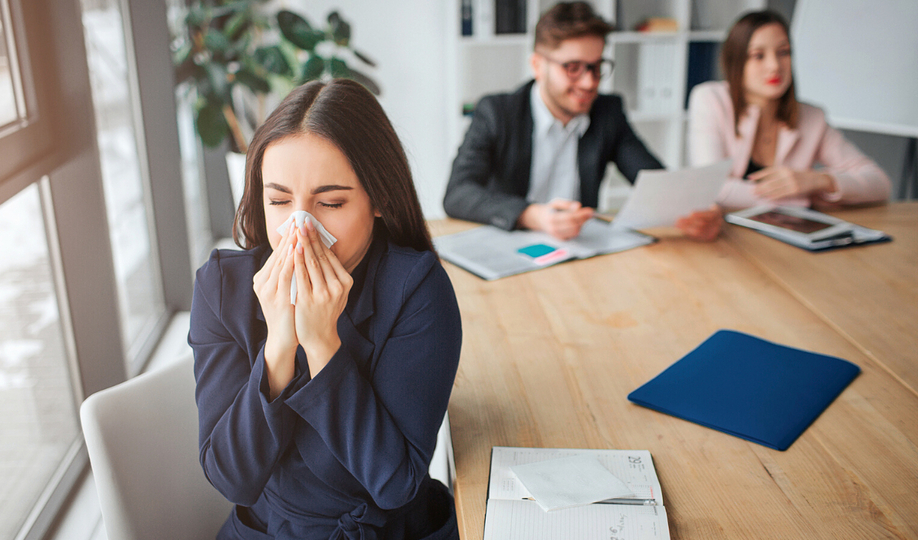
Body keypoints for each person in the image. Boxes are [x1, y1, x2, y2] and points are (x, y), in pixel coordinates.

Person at [189, 79, 462, 540]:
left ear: (379, 199)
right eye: (278, 201)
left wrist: (321, 344)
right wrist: (280, 345)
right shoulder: (221, 286)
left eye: (330, 202)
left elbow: (395, 484)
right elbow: (232, 478)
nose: (300, 229)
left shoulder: (417, 290)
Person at [444, 1, 722, 242]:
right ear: (538, 66)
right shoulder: (497, 111)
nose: (589, 82)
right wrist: (533, 215)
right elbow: (457, 194)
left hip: (579, 248)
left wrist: (693, 209)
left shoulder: (608, 112)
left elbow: (653, 180)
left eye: (596, 67)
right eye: (573, 68)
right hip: (511, 244)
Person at [687, 9, 891, 210]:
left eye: (783, 52)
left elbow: (880, 183)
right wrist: (802, 200)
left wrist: (819, 180)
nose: (775, 65)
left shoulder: (812, 118)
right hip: (728, 235)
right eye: (758, 55)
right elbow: (711, 187)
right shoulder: (710, 99)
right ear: (736, 62)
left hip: (785, 233)